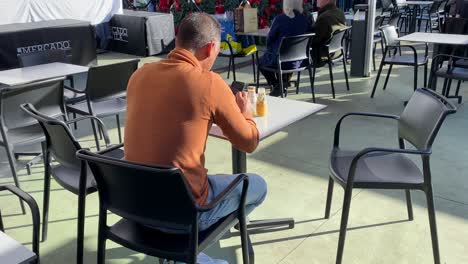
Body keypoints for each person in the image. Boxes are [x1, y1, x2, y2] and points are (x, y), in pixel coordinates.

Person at [124, 13, 267, 264]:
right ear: (211, 47)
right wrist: (244, 113)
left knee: (199, 178)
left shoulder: (139, 75)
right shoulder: (209, 82)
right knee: (256, 185)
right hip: (183, 213)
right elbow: (249, 142)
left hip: (134, 205)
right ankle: (192, 255)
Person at [259, 0, 313, 96]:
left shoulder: (280, 19)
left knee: (262, 63)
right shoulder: (305, 20)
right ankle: (282, 84)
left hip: (281, 60)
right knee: (282, 56)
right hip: (300, 60)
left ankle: (277, 85)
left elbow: (270, 39)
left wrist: (270, 47)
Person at [311, 0, 346, 66]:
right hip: (337, 51)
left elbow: (314, 40)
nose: (317, 0)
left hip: (322, 55)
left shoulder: (324, 18)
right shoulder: (340, 12)